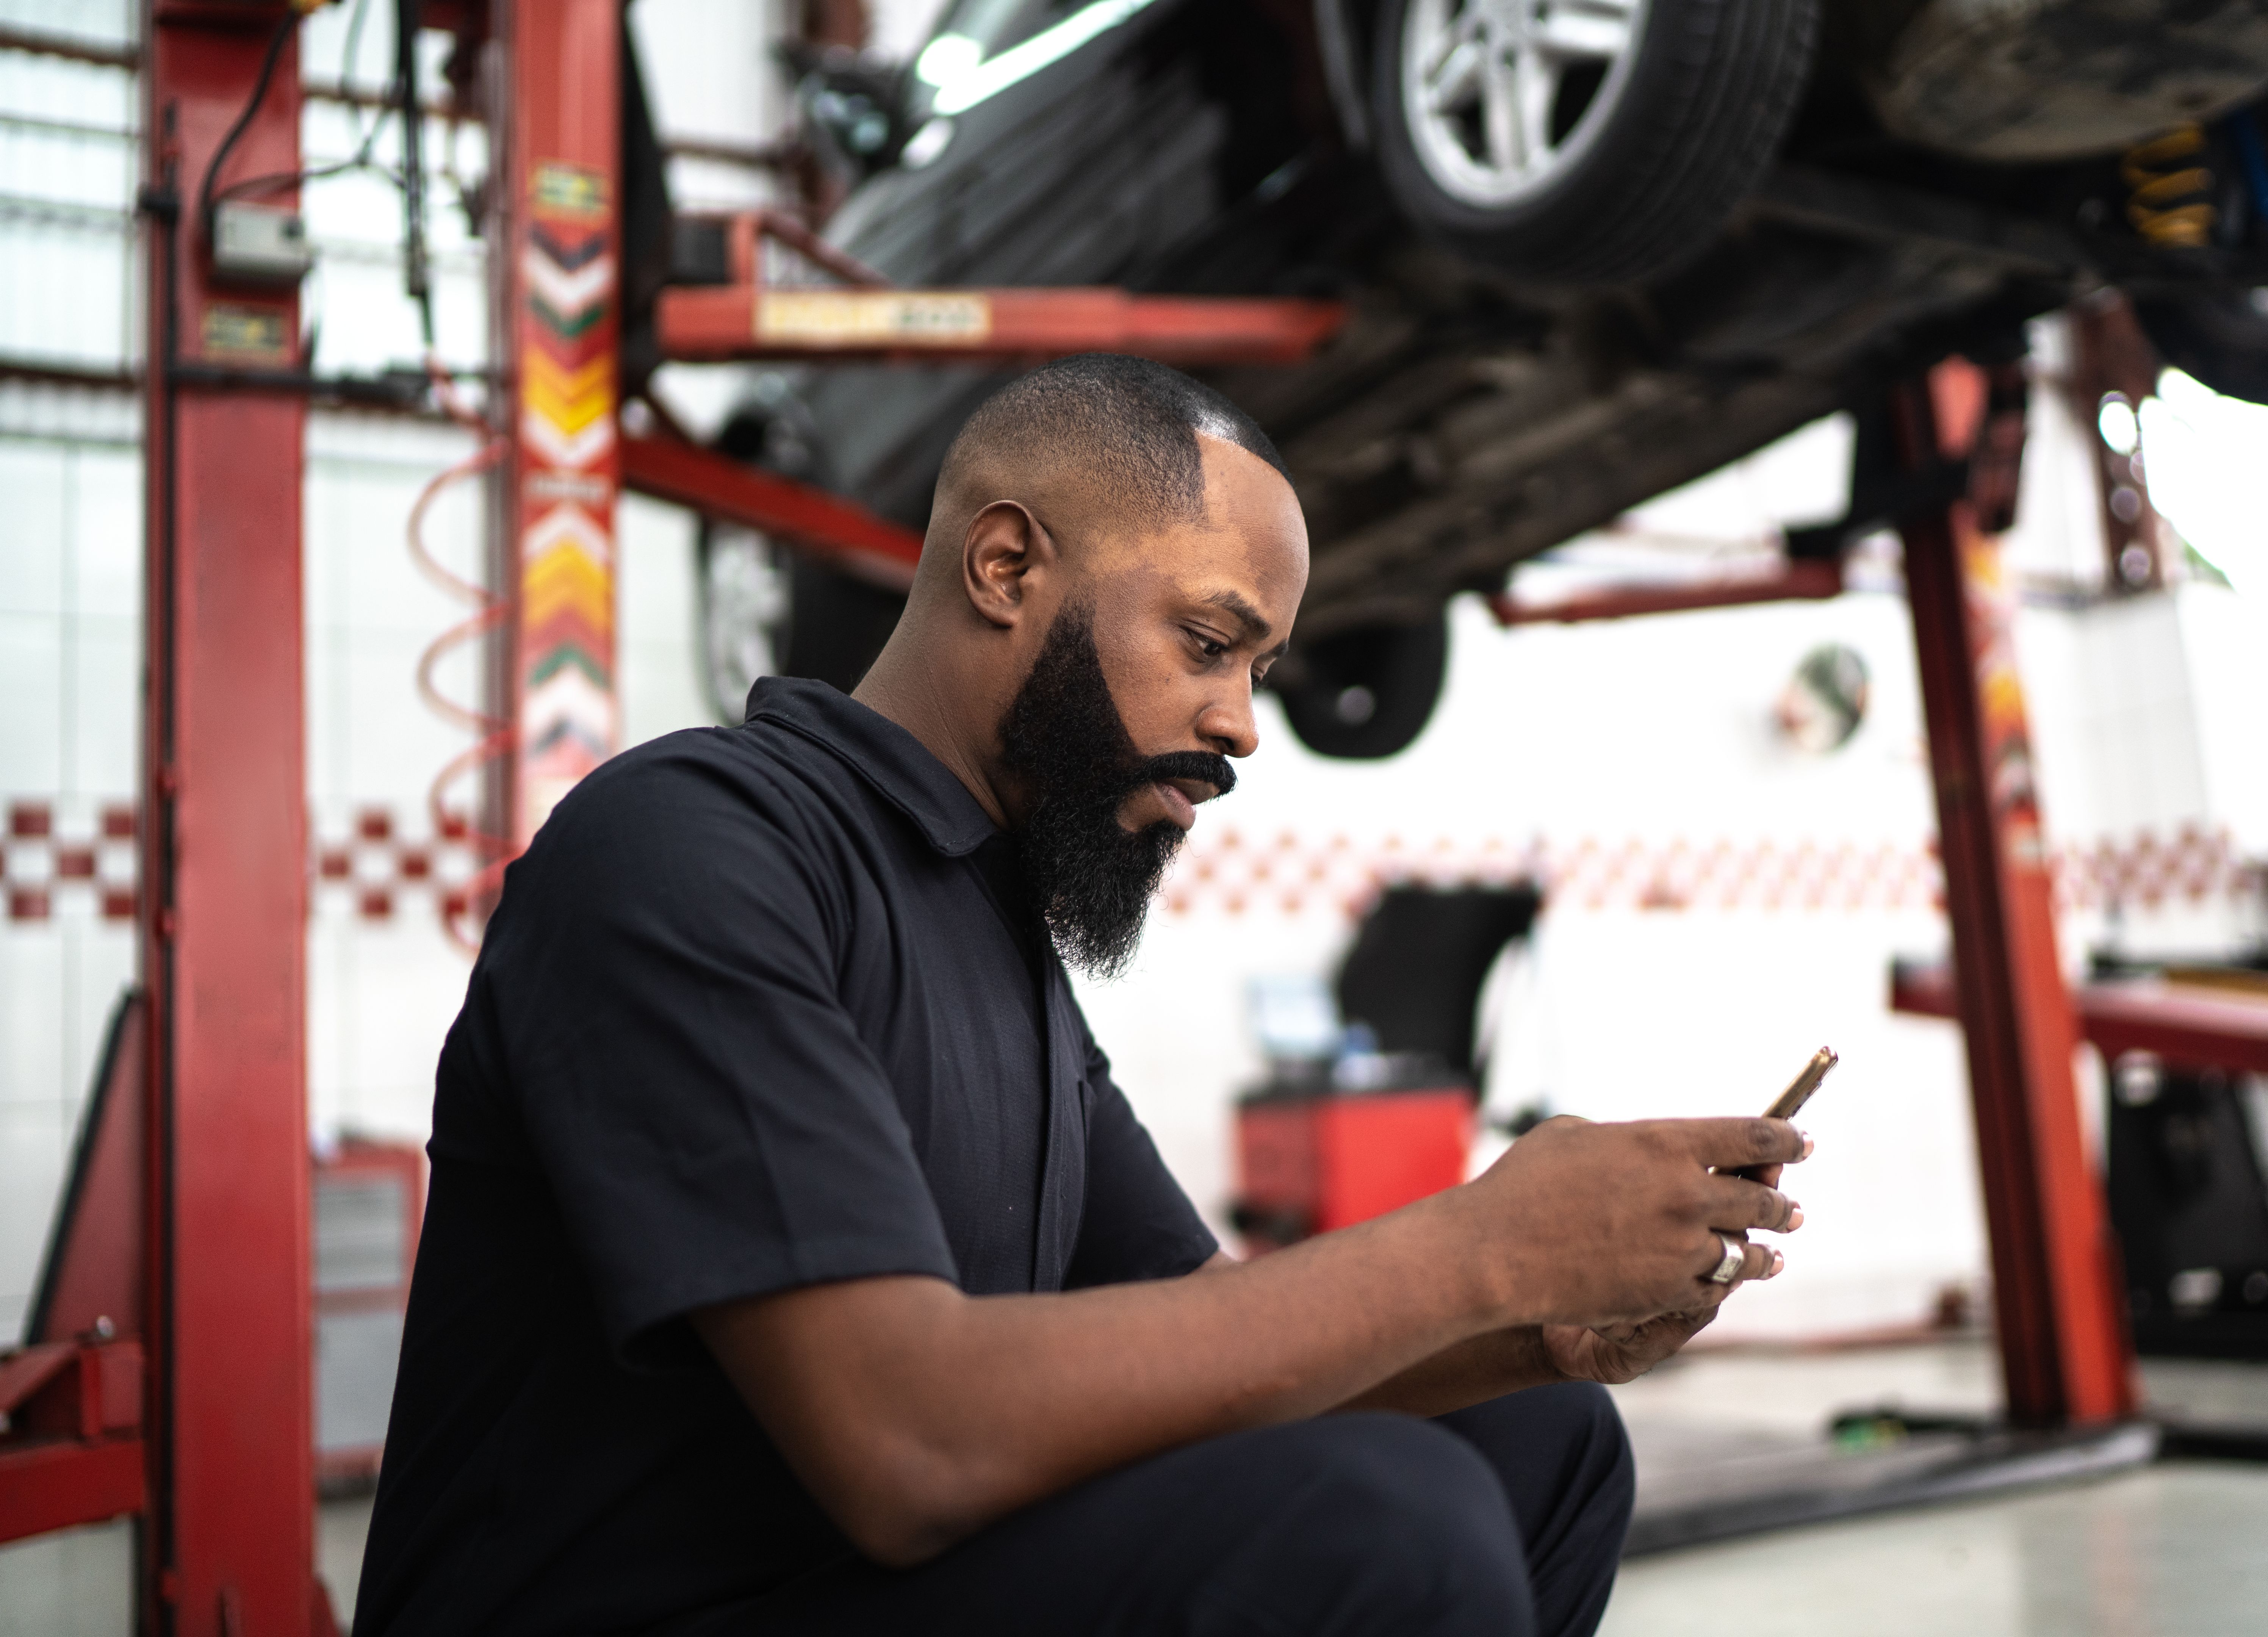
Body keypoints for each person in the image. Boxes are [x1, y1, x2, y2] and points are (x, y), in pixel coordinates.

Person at [353, 354, 1811, 1637]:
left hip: (854, 1594)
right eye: (1207, 641)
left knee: (1544, 1442)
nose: (1243, 721)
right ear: (1005, 567)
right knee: (1379, 1529)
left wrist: (1533, 1330)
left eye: (1261, 667)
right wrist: (1481, 1248)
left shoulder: (1002, 943)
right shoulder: (695, 847)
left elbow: (1206, 1338)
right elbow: (903, 1436)